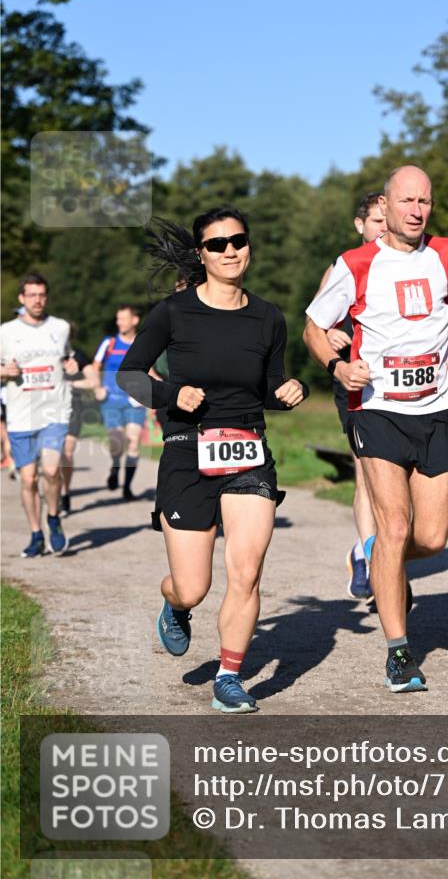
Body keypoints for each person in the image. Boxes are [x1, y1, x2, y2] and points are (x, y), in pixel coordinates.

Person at [117, 207, 308, 714]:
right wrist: (172, 394)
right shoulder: (174, 313)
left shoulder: (269, 316)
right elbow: (130, 374)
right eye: (217, 244)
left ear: (248, 245)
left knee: (246, 571)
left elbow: (267, 386)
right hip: (187, 452)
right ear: (201, 255)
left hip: (248, 452)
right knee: (193, 586)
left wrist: (289, 389)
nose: (230, 251)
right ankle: (174, 604)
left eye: (237, 241)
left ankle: (228, 675)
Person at [304, 165, 448, 693]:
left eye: (424, 201)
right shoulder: (356, 263)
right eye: (407, 201)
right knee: (395, 526)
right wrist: (338, 368)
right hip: (377, 410)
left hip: (433, 411)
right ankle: (399, 652)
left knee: (430, 537)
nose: (416, 210)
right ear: (385, 206)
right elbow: (315, 326)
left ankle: (378, 561)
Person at [314, 192, 386, 601]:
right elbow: (314, 323)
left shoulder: (410, 263)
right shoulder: (344, 267)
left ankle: (364, 550)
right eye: (375, 221)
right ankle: (372, 555)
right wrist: (329, 334)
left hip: (403, 384)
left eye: (385, 219)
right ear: (360, 225)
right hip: (356, 380)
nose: (382, 227)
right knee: (366, 468)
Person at [0, 273, 74, 556]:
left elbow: (70, 358)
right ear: (21, 298)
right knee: (28, 479)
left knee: (52, 470)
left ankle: (53, 517)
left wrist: (71, 365)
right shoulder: (5, 331)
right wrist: (5, 371)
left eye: (42, 295)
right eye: (31, 295)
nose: (38, 300)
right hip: (21, 414)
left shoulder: (61, 327)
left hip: (55, 410)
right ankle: (35, 534)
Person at [92, 305, 147, 500]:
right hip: (111, 400)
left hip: (134, 401)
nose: (119, 322)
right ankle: (115, 467)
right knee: (117, 442)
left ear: (134, 320)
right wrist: (97, 387)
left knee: (133, 443)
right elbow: (94, 367)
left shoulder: (143, 343)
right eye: (118, 319)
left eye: (123, 318)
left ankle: (127, 487)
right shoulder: (110, 343)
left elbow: (149, 370)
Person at [59, 324, 100, 515]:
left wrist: (70, 383)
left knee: (67, 453)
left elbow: (93, 382)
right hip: (47, 409)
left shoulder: (79, 356)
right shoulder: (48, 355)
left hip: (73, 408)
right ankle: (54, 488)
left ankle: (65, 493)